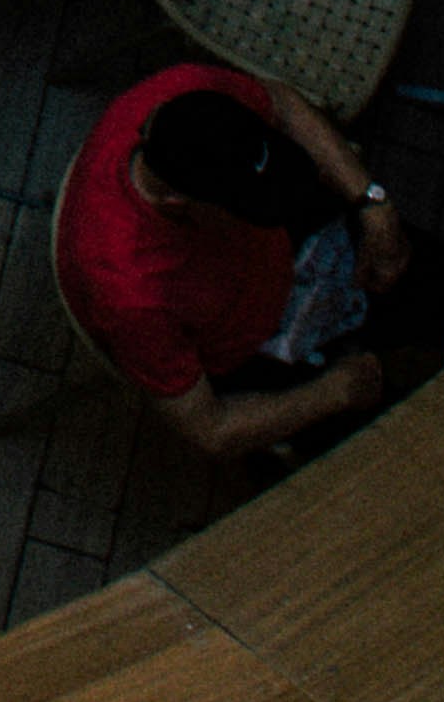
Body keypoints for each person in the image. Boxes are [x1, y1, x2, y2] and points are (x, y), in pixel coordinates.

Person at [52, 53, 413, 464]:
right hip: (252, 355)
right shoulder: (132, 296)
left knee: (435, 287)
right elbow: (210, 429)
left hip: (286, 261)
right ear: (176, 201)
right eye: (248, 205)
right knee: (392, 454)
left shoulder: (187, 96)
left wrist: (371, 204)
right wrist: (332, 393)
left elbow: (283, 106)